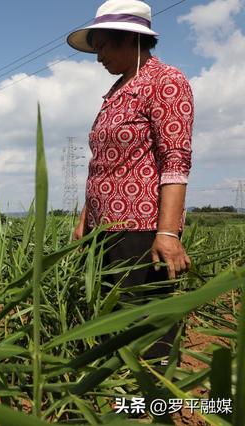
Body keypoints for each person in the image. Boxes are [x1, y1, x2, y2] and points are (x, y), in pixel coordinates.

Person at [67, 0, 193, 361]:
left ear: (129, 40)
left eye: (103, 45)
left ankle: (155, 399)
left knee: (147, 322)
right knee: (115, 315)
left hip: (141, 228)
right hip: (104, 229)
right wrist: (84, 221)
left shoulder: (166, 82)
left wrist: (167, 233)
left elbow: (176, 160)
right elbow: (100, 165)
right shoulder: (117, 92)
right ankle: (119, 388)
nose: (98, 57)